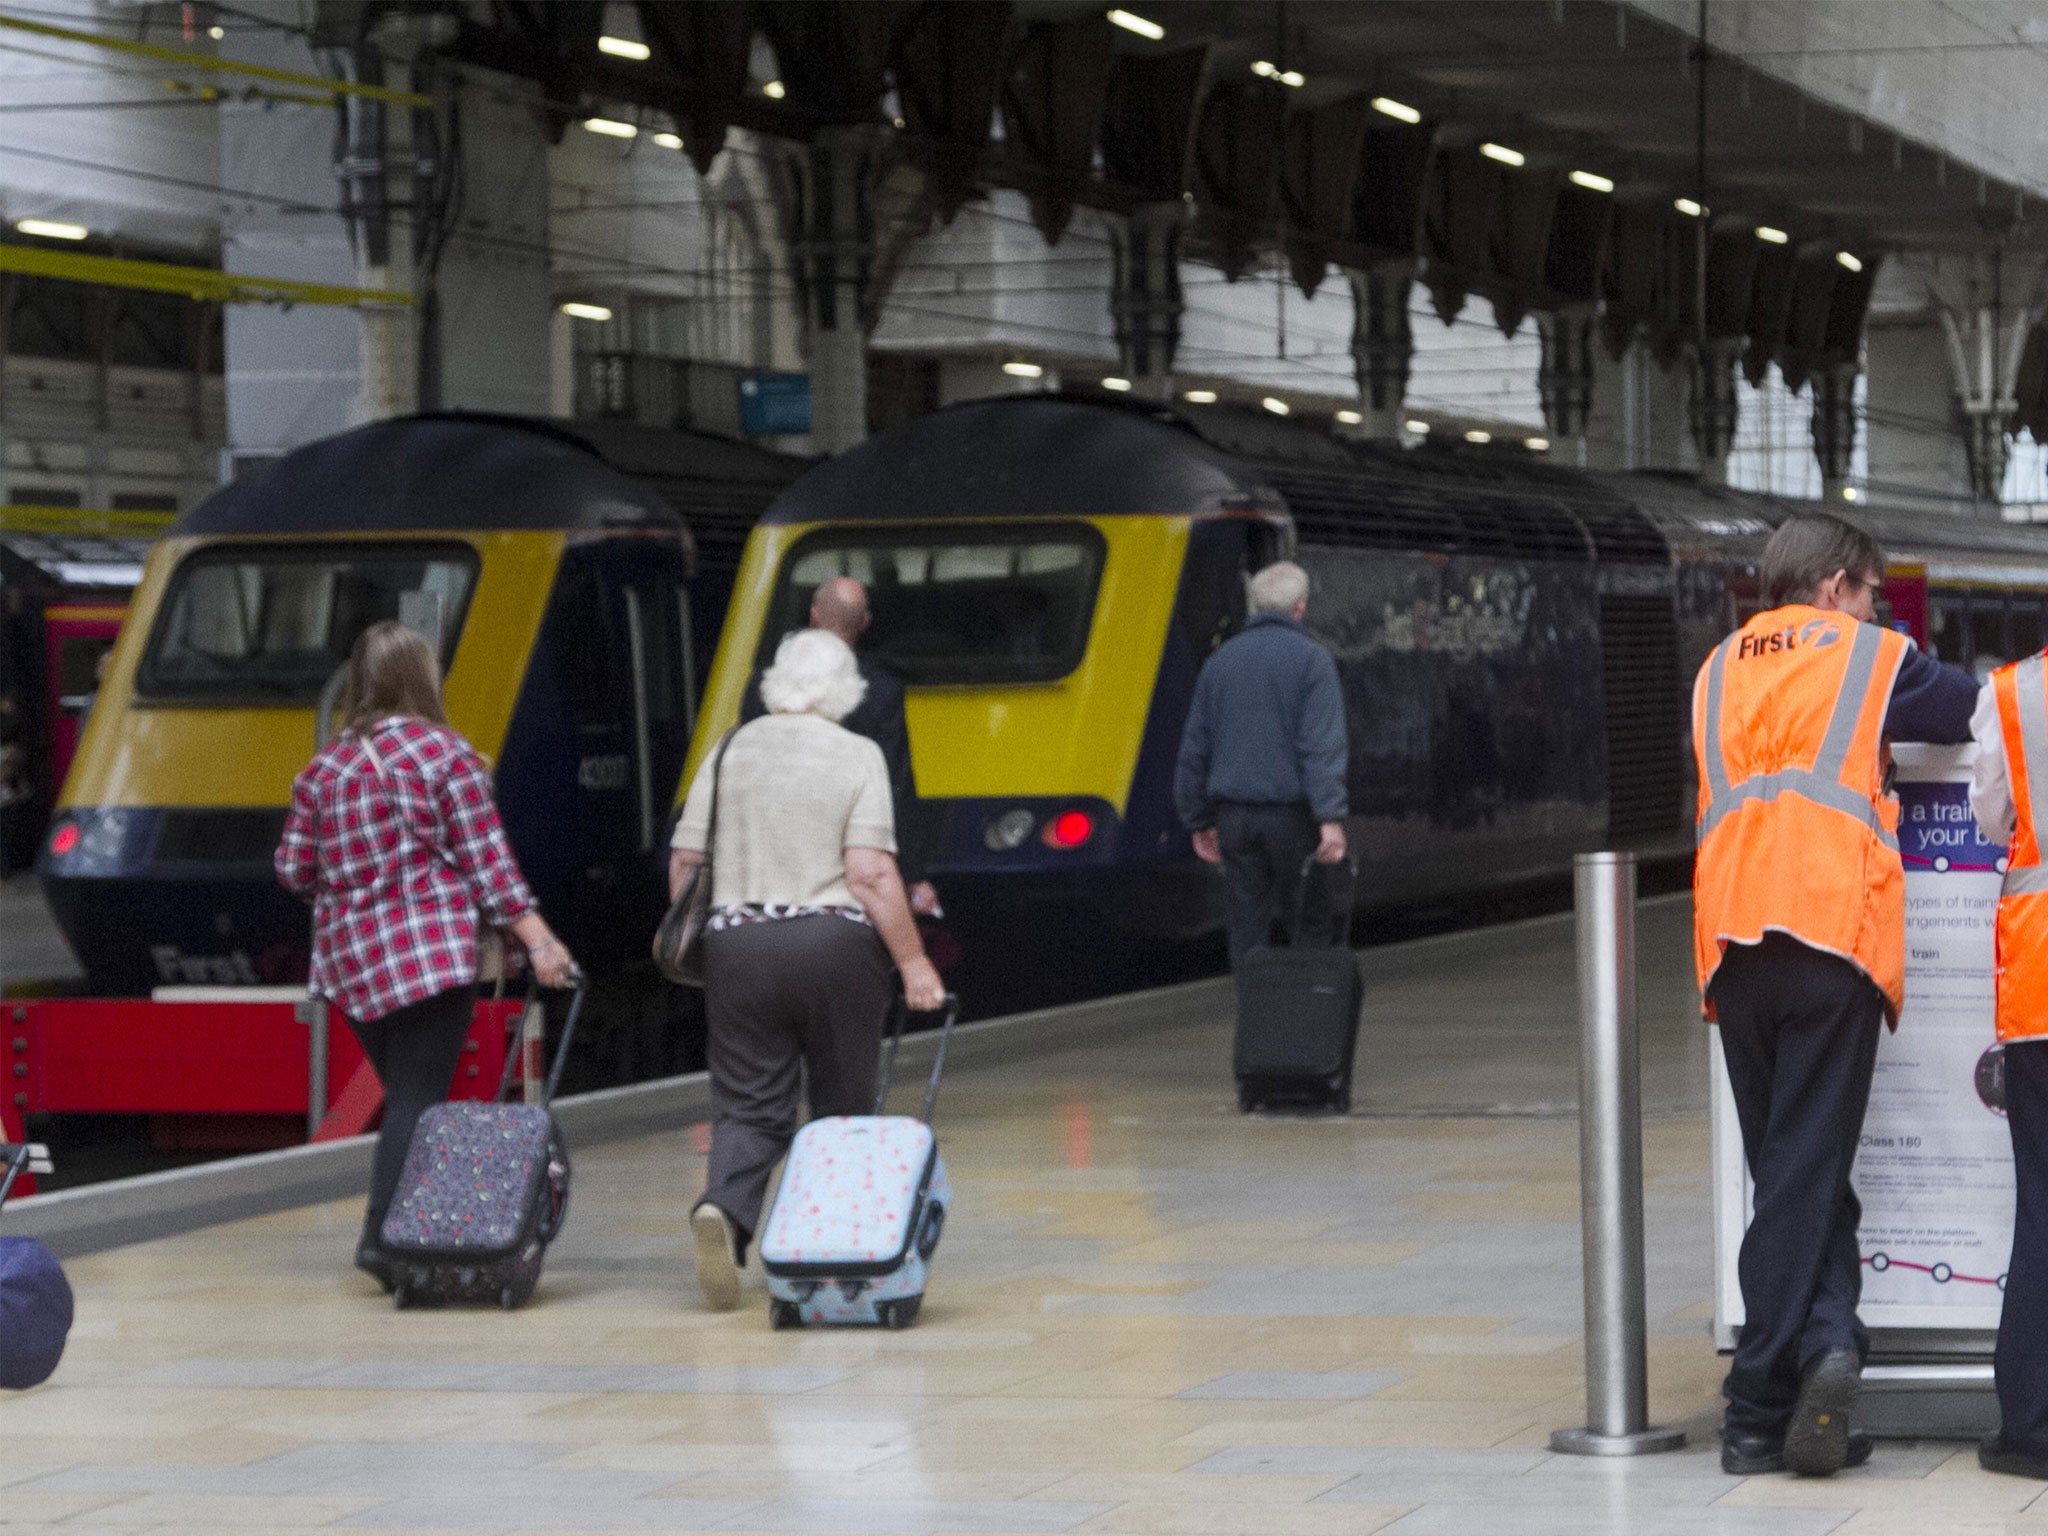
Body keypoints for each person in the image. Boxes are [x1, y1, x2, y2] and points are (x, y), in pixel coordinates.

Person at [1693, 513, 1975, 1476]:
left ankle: (1828, 1351)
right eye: (1871, 592)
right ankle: (1754, 1408)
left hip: (1733, 945)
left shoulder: (1717, 666)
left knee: (1794, 1169)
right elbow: (1972, 711)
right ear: (1836, 587)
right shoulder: (1866, 655)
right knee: (1803, 1174)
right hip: (1827, 934)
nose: (1875, 608)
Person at [276, 621, 574, 1292]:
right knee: (418, 1095)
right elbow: (489, 867)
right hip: (429, 953)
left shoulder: (324, 769)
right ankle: (384, 1238)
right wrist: (541, 942)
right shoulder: (446, 757)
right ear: (423, 678)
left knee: (404, 1092)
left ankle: (400, 1227)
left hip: (351, 962)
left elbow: (294, 869)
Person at [672, 628, 945, 1310]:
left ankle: (725, 1212)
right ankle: (833, 1250)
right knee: (841, 1107)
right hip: (833, 946)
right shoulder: (858, 754)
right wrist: (914, 963)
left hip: (738, 943)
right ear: (846, 691)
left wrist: (717, 931)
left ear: (775, 683)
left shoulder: (730, 749)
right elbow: (871, 872)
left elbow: (686, 863)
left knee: (748, 1105)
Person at [1173, 560, 1349, 966]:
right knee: (1308, 920)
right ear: (1300, 606)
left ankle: (1256, 1014)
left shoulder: (1220, 663)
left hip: (1234, 819)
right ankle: (1306, 1013)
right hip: (1292, 819)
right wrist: (1330, 817)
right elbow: (1320, 746)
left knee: (1247, 925)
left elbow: (1195, 747)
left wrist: (1198, 820)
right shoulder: (1312, 662)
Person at [742, 576, 940, 917]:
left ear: (814, 616)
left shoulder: (762, 686)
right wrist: (912, 876)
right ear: (865, 623)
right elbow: (897, 786)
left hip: (773, 856)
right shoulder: (881, 691)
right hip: (849, 859)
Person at [1968, 649, 2048, 1478]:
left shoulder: (2016, 690)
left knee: (2044, 1209)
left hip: (2044, 986)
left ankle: (2030, 1426)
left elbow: (1992, 816)